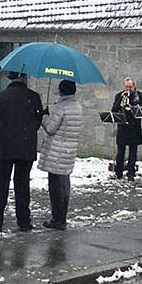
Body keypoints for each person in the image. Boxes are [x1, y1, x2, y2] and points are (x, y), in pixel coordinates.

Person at [0, 72, 45, 232]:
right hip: (26, 147)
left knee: (1, 184)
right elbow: (37, 122)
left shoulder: (0, 97)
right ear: (24, 78)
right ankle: (24, 220)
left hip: (5, 147)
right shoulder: (34, 97)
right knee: (22, 185)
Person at [39, 79, 83, 230]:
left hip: (57, 150)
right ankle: (62, 217)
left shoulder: (61, 106)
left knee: (55, 186)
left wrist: (44, 117)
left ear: (61, 91)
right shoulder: (77, 107)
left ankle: (57, 219)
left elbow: (51, 128)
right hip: (69, 150)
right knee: (64, 184)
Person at [110, 77, 142, 180]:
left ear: (134, 86)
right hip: (123, 126)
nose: (128, 89)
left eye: (130, 87)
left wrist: (131, 103)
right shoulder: (119, 95)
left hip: (134, 127)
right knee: (120, 151)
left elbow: (141, 109)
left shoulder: (140, 95)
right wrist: (121, 99)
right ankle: (118, 172)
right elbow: (114, 109)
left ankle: (131, 173)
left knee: (133, 152)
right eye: (126, 87)